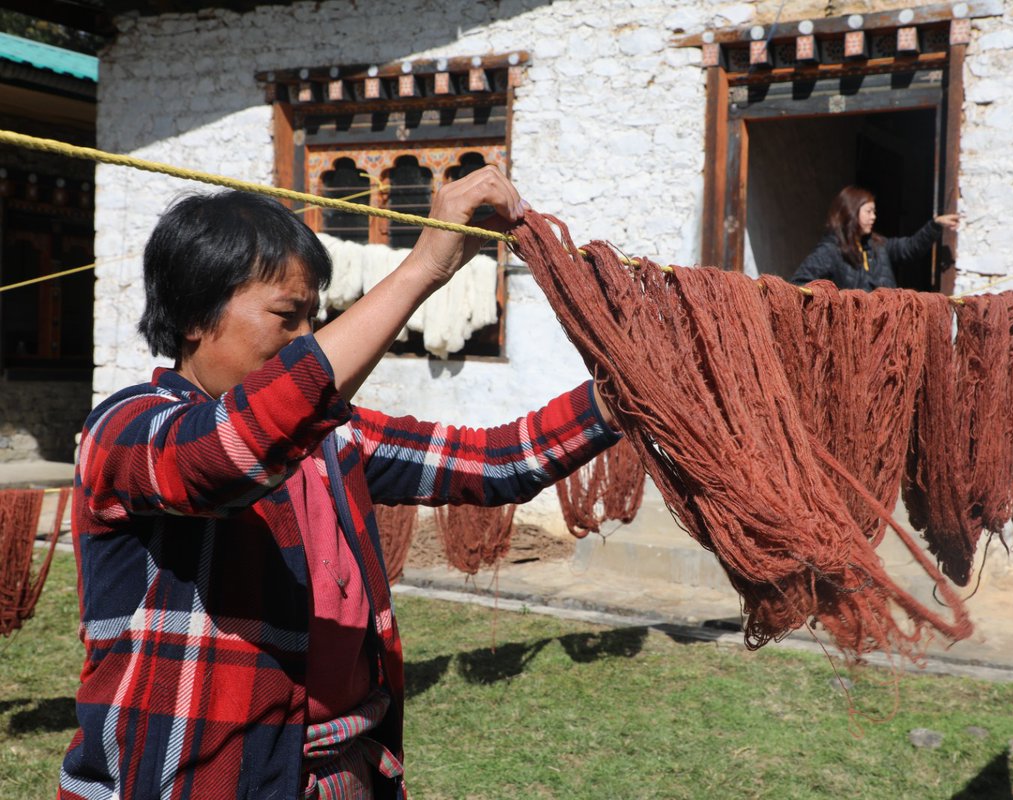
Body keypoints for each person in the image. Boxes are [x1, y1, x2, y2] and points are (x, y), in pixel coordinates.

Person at [59, 171, 621, 800]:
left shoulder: (333, 440)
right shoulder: (129, 427)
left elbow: (497, 462)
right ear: (195, 318)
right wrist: (422, 272)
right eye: (286, 317)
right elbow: (231, 452)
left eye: (314, 319)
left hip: (344, 777)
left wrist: (628, 391)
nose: (305, 340)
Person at [788, 185, 960, 291]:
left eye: (874, 212)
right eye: (868, 211)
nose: (873, 217)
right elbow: (799, 285)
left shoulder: (879, 245)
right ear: (851, 212)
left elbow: (910, 248)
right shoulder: (831, 250)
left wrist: (935, 225)